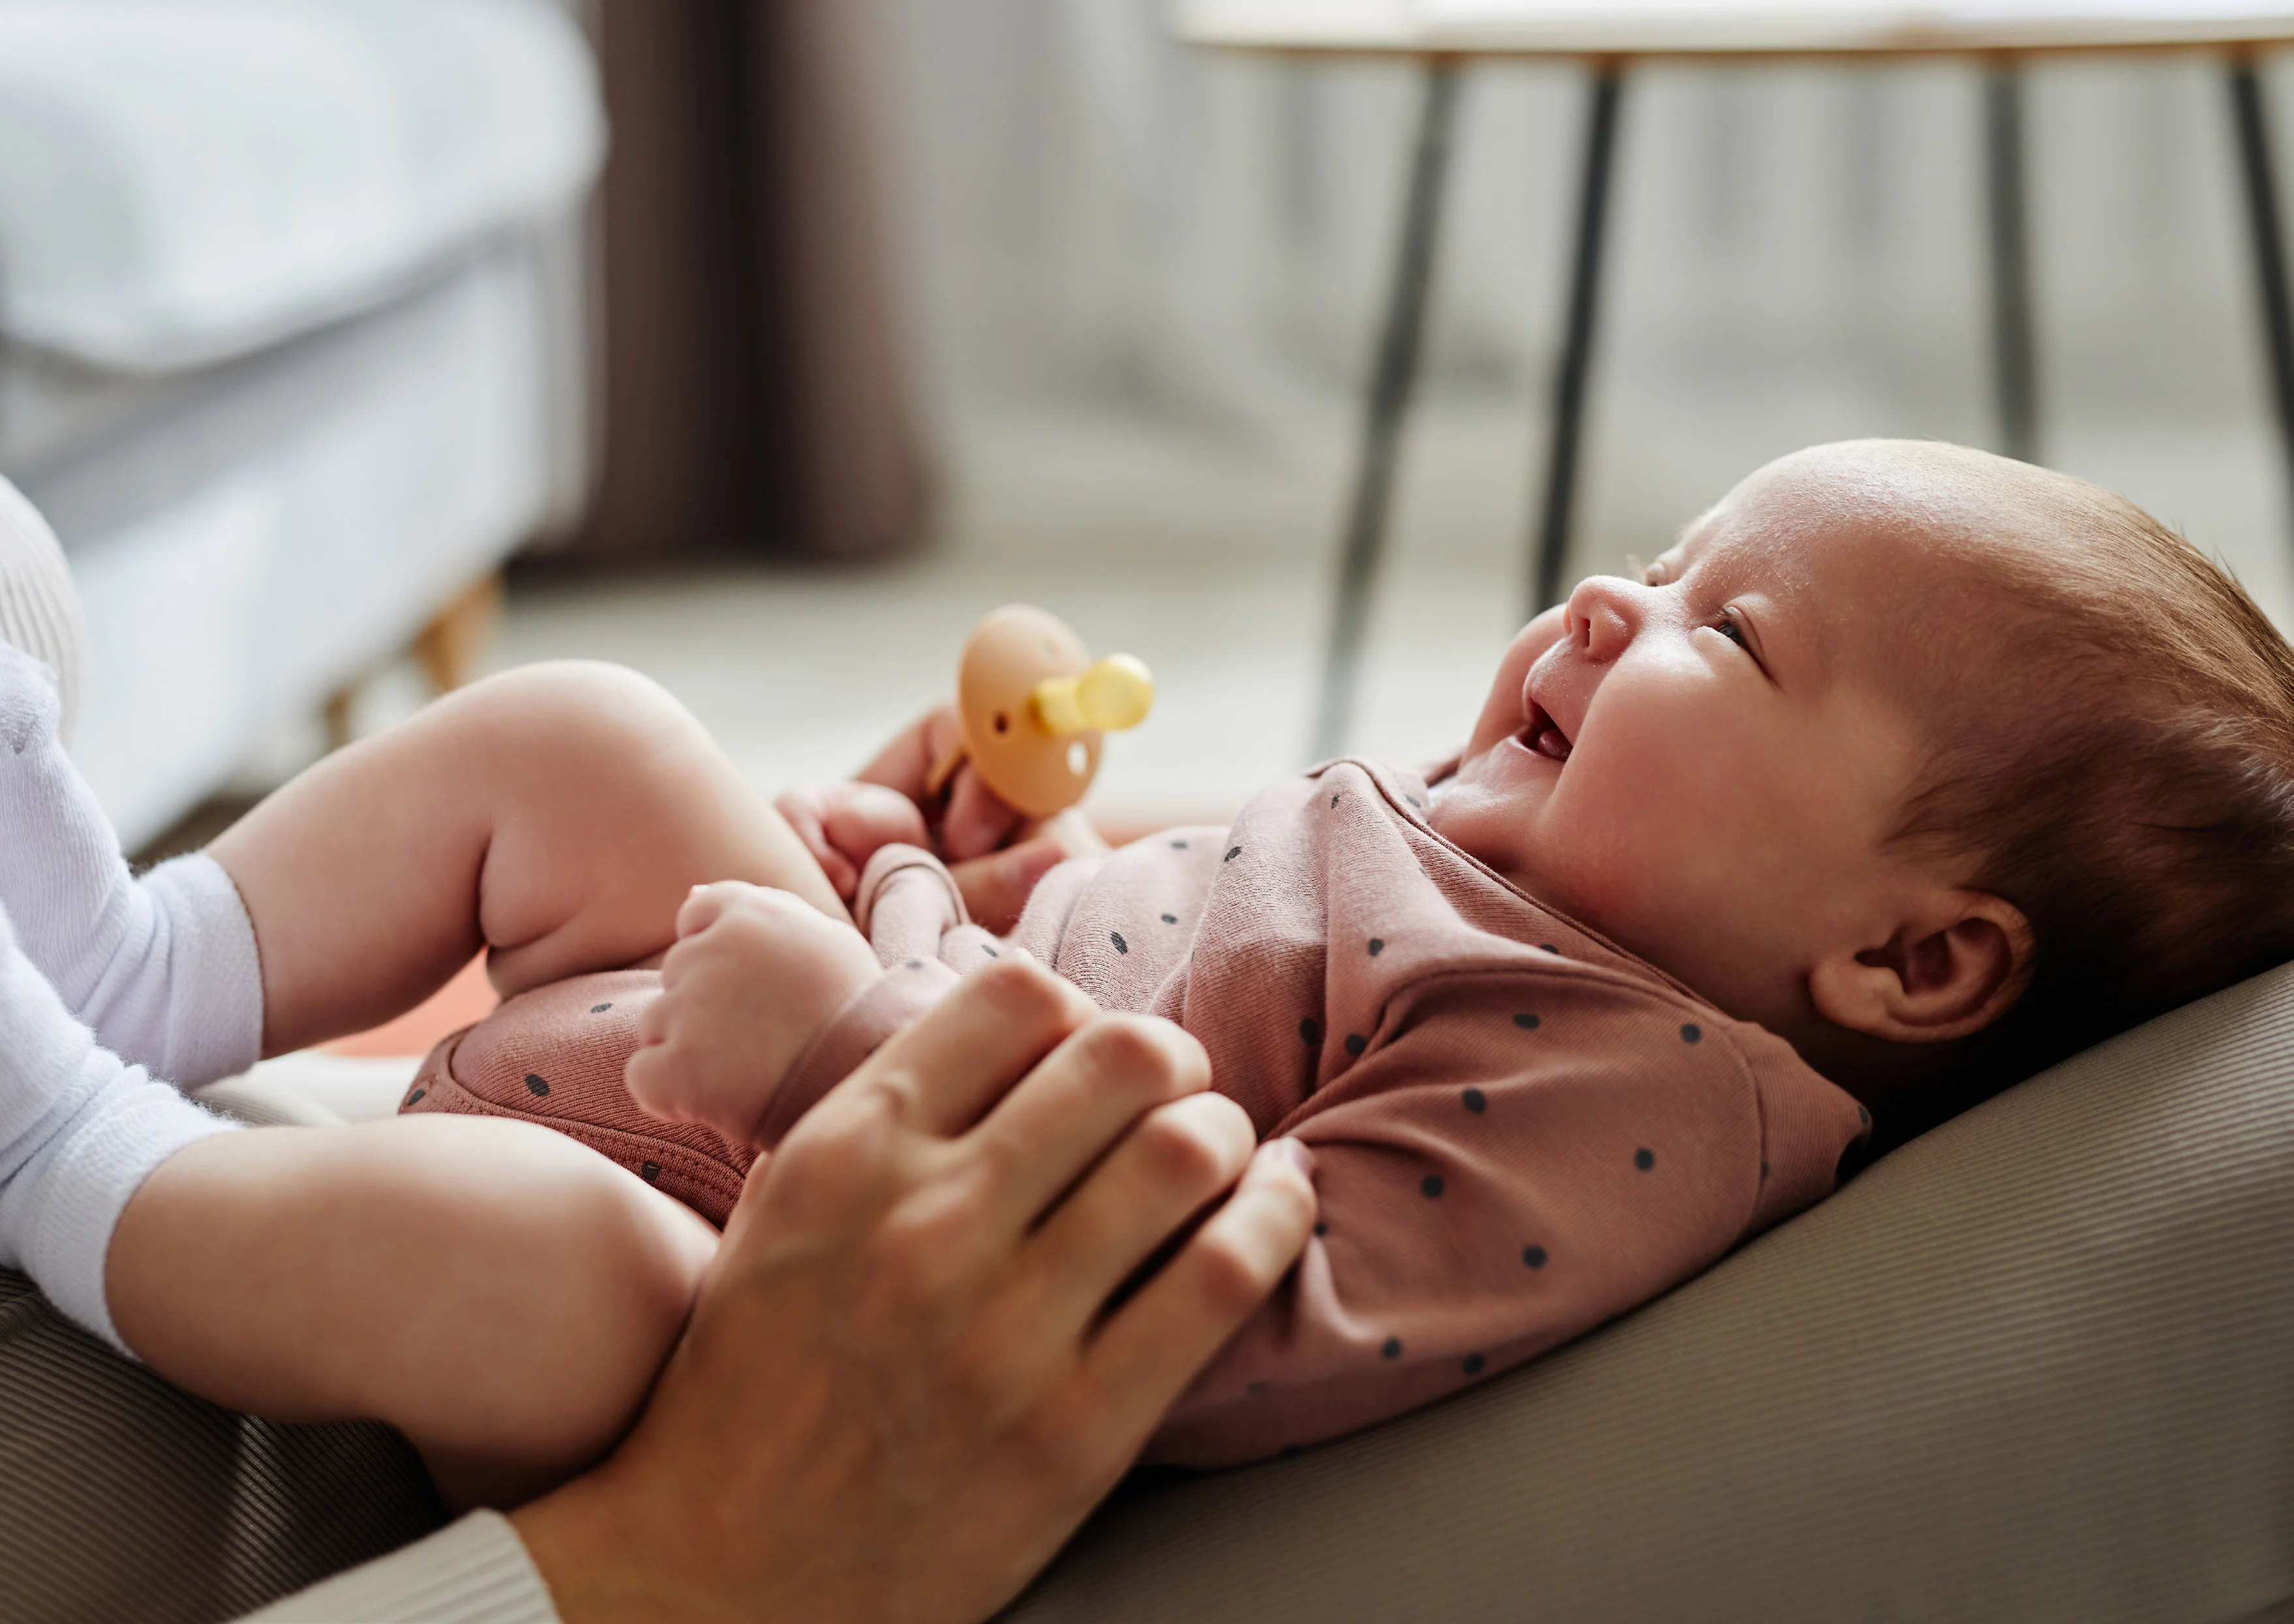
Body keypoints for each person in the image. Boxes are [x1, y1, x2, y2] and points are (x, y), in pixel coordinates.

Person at [12, 436, 2294, 1503]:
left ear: (1909, 958)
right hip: (774, 1050)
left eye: (1732, 634)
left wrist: (845, 1041)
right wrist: (982, 879)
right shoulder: (1506, 869)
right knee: (597, 741)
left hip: (722, 1299)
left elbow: (1205, 1308)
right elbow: (1180, 976)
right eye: (1656, 554)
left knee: (544, 1277)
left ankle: (60, 1142)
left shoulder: (1631, 1090)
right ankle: (136, 970)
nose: (1611, 604)